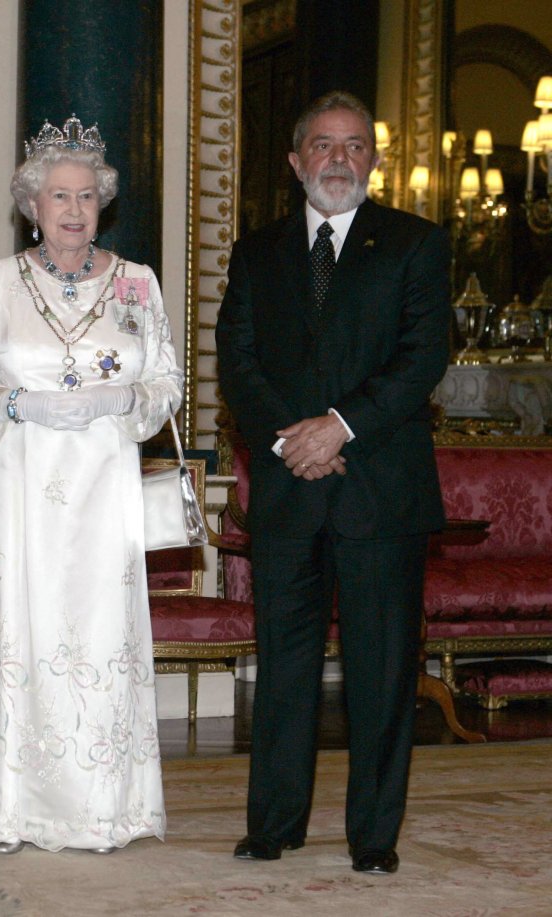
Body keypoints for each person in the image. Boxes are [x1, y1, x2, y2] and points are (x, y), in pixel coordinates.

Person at [215, 91, 451, 876]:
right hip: (289, 486)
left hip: (379, 488)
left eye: (355, 145)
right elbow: (237, 361)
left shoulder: (416, 245)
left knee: (382, 671)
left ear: (374, 160)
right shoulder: (256, 252)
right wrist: (295, 439)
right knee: (283, 668)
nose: (339, 159)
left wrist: (338, 426)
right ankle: (273, 825)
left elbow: (421, 357)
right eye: (323, 144)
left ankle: (373, 836)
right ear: (295, 161)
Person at [0, 116, 184, 854]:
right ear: (31, 206)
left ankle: (105, 805)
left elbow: (167, 380)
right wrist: (20, 404)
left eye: (86, 196)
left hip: (105, 482)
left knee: (99, 629)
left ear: (102, 203)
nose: (74, 210)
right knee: (24, 624)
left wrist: (126, 402)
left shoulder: (137, 283)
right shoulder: (1, 281)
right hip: (23, 481)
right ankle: (13, 805)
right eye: (58, 197)